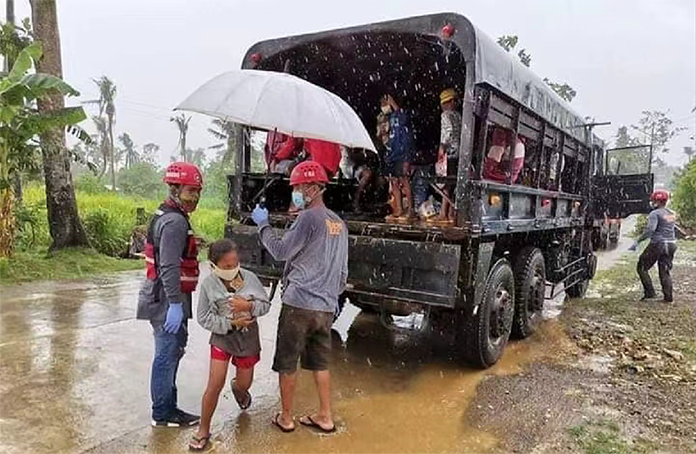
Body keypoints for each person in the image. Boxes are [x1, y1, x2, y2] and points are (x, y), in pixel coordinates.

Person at [250, 161, 348, 434]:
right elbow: (342, 274)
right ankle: (325, 416)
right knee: (320, 362)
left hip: (299, 305)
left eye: (297, 187)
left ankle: (286, 417)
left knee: (287, 361)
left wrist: (263, 225)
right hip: (325, 308)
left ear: (314, 188)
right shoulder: (339, 223)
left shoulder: (307, 219)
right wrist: (328, 295)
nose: (294, 192)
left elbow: (281, 251)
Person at [136, 162, 203, 428]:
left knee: (172, 351)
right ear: (175, 189)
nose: (195, 197)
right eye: (190, 191)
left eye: (198, 191)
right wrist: (175, 304)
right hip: (167, 297)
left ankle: (167, 407)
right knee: (166, 353)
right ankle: (163, 412)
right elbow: (168, 266)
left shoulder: (167, 213)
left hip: (166, 294)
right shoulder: (174, 221)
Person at [189, 239, 270, 451]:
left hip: (247, 337)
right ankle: (203, 429)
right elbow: (203, 317)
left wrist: (249, 306)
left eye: (235, 263)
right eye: (226, 266)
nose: (232, 269)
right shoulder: (208, 285)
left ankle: (238, 389)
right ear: (214, 266)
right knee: (214, 384)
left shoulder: (250, 278)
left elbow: (265, 305)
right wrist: (229, 323)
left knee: (244, 383)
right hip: (222, 337)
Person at [629, 190, 678, 303]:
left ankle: (650, 293)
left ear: (656, 201)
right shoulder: (672, 213)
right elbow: (669, 227)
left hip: (658, 244)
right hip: (671, 244)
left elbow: (650, 229)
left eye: (653, 200)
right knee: (664, 270)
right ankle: (668, 298)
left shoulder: (654, 214)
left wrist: (638, 242)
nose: (652, 203)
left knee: (641, 267)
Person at [380, 94, 415, 222]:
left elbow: (404, 120)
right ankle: (399, 209)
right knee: (394, 181)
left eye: (385, 103)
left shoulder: (402, 114)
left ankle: (411, 210)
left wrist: (394, 104)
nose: (383, 107)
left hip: (403, 153)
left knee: (404, 180)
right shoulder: (388, 117)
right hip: (392, 154)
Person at [432, 88, 462, 225]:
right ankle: (451, 213)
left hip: (449, 154)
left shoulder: (446, 115)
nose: (442, 106)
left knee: (445, 184)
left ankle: (443, 213)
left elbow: (448, 132)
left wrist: (442, 147)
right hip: (459, 154)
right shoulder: (459, 115)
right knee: (453, 183)